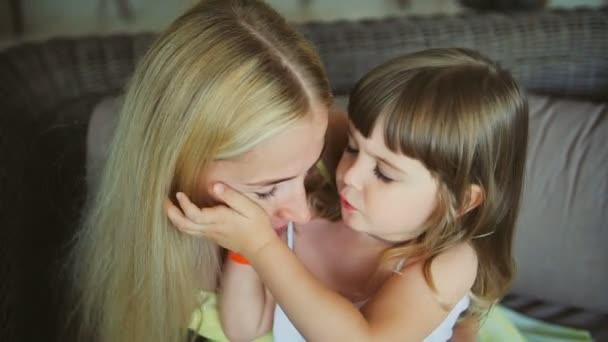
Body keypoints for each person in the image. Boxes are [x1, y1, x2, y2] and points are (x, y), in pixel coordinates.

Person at [167, 48, 529, 341]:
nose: (350, 175)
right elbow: (245, 330)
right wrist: (246, 249)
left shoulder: (446, 262)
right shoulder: (306, 215)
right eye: (354, 148)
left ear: (461, 201)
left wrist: (263, 247)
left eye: (384, 173)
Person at [67, 1, 335, 341]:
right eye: (266, 190)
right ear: (176, 164)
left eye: (310, 169)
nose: (301, 212)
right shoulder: (147, 264)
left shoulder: (343, 155)